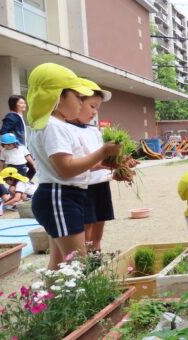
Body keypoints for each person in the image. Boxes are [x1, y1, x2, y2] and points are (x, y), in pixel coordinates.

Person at [26, 63, 121, 270]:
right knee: (77, 264)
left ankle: (50, 302)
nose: (81, 103)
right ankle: (85, 302)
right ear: (59, 97)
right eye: (78, 97)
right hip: (59, 197)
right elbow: (66, 169)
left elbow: (73, 166)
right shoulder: (54, 127)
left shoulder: (53, 125)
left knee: (60, 262)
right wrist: (103, 151)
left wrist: (104, 164)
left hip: (62, 196)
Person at [66, 78, 115, 253]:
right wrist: (102, 163)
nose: (94, 112)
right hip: (83, 185)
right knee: (86, 224)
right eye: (92, 106)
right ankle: (85, 255)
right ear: (77, 102)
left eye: (97, 108)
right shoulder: (67, 130)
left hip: (100, 182)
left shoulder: (94, 131)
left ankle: (96, 251)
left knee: (100, 220)